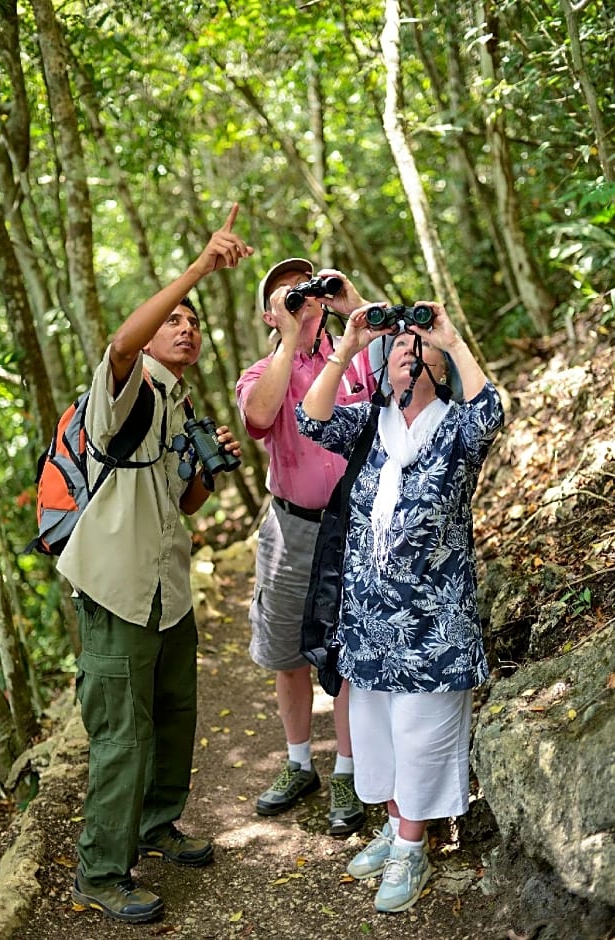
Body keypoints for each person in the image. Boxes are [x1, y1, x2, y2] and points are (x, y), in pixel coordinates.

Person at [57, 205, 253, 924]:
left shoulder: (177, 401)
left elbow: (186, 504)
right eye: (177, 319)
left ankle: (156, 824)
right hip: (114, 589)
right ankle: (100, 872)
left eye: (195, 322)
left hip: (167, 587)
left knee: (173, 715)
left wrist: (210, 468)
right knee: (121, 734)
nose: (187, 327)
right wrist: (201, 265)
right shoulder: (121, 389)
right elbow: (118, 341)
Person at [296, 300, 504, 913]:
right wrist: (350, 344)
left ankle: (412, 851)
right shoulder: (367, 426)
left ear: (441, 370)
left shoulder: (456, 431)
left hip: (435, 625)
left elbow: (491, 413)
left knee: (420, 738)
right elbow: (311, 420)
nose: (408, 355)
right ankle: (396, 827)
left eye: (421, 352)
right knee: (380, 737)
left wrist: (450, 338)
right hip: (367, 623)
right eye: (401, 350)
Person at [235, 258, 376, 835]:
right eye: (285, 298)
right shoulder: (262, 370)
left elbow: (409, 357)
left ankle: (345, 768)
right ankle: (299, 763)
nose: (301, 300)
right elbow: (261, 415)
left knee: (345, 649)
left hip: (355, 523)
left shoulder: (355, 354)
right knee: (288, 648)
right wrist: (289, 341)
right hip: (291, 526)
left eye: (307, 291)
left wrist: (350, 301)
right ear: (270, 315)